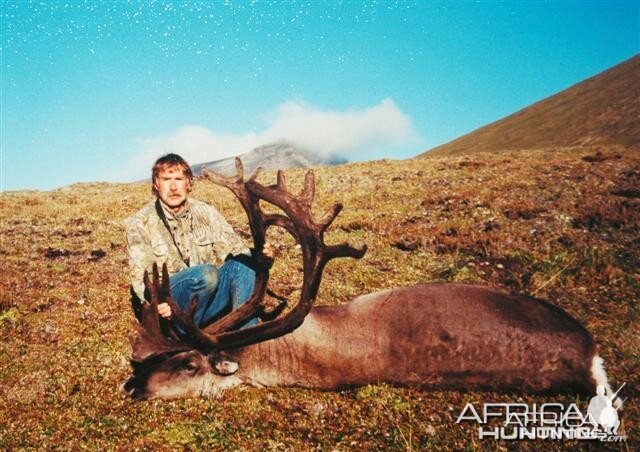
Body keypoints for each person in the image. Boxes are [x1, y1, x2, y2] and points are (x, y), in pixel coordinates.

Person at [123, 153, 270, 330]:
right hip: (168, 307)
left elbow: (238, 251)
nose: (173, 186)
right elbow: (141, 279)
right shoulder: (139, 223)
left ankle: (246, 338)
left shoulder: (206, 212)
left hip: (205, 302)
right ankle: (185, 340)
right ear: (156, 184)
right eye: (166, 179)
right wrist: (158, 302)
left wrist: (262, 257)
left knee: (244, 263)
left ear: (188, 183)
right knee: (205, 275)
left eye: (178, 179)